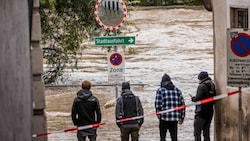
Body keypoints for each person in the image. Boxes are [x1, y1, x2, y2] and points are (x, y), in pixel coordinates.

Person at [155, 73, 186, 141]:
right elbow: (182, 105)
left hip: (164, 118)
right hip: (174, 118)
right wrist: (182, 117)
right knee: (174, 137)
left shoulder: (160, 90)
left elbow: (158, 105)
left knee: (163, 138)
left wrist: (159, 116)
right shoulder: (177, 90)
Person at [189, 71, 216, 141]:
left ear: (201, 79)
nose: (198, 80)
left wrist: (193, 98)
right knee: (206, 133)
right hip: (210, 112)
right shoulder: (212, 85)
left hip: (201, 112)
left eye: (199, 79)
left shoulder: (201, 86)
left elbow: (198, 99)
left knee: (197, 133)